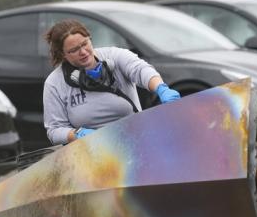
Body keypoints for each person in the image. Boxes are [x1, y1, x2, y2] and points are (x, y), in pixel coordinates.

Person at [43, 19, 180, 145]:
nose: (83, 52)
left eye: (85, 44)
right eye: (74, 50)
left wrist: (161, 88)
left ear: (90, 39)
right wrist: (77, 134)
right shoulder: (54, 83)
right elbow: (54, 130)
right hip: (92, 151)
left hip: (134, 140)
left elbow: (140, 70)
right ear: (62, 54)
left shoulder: (115, 55)